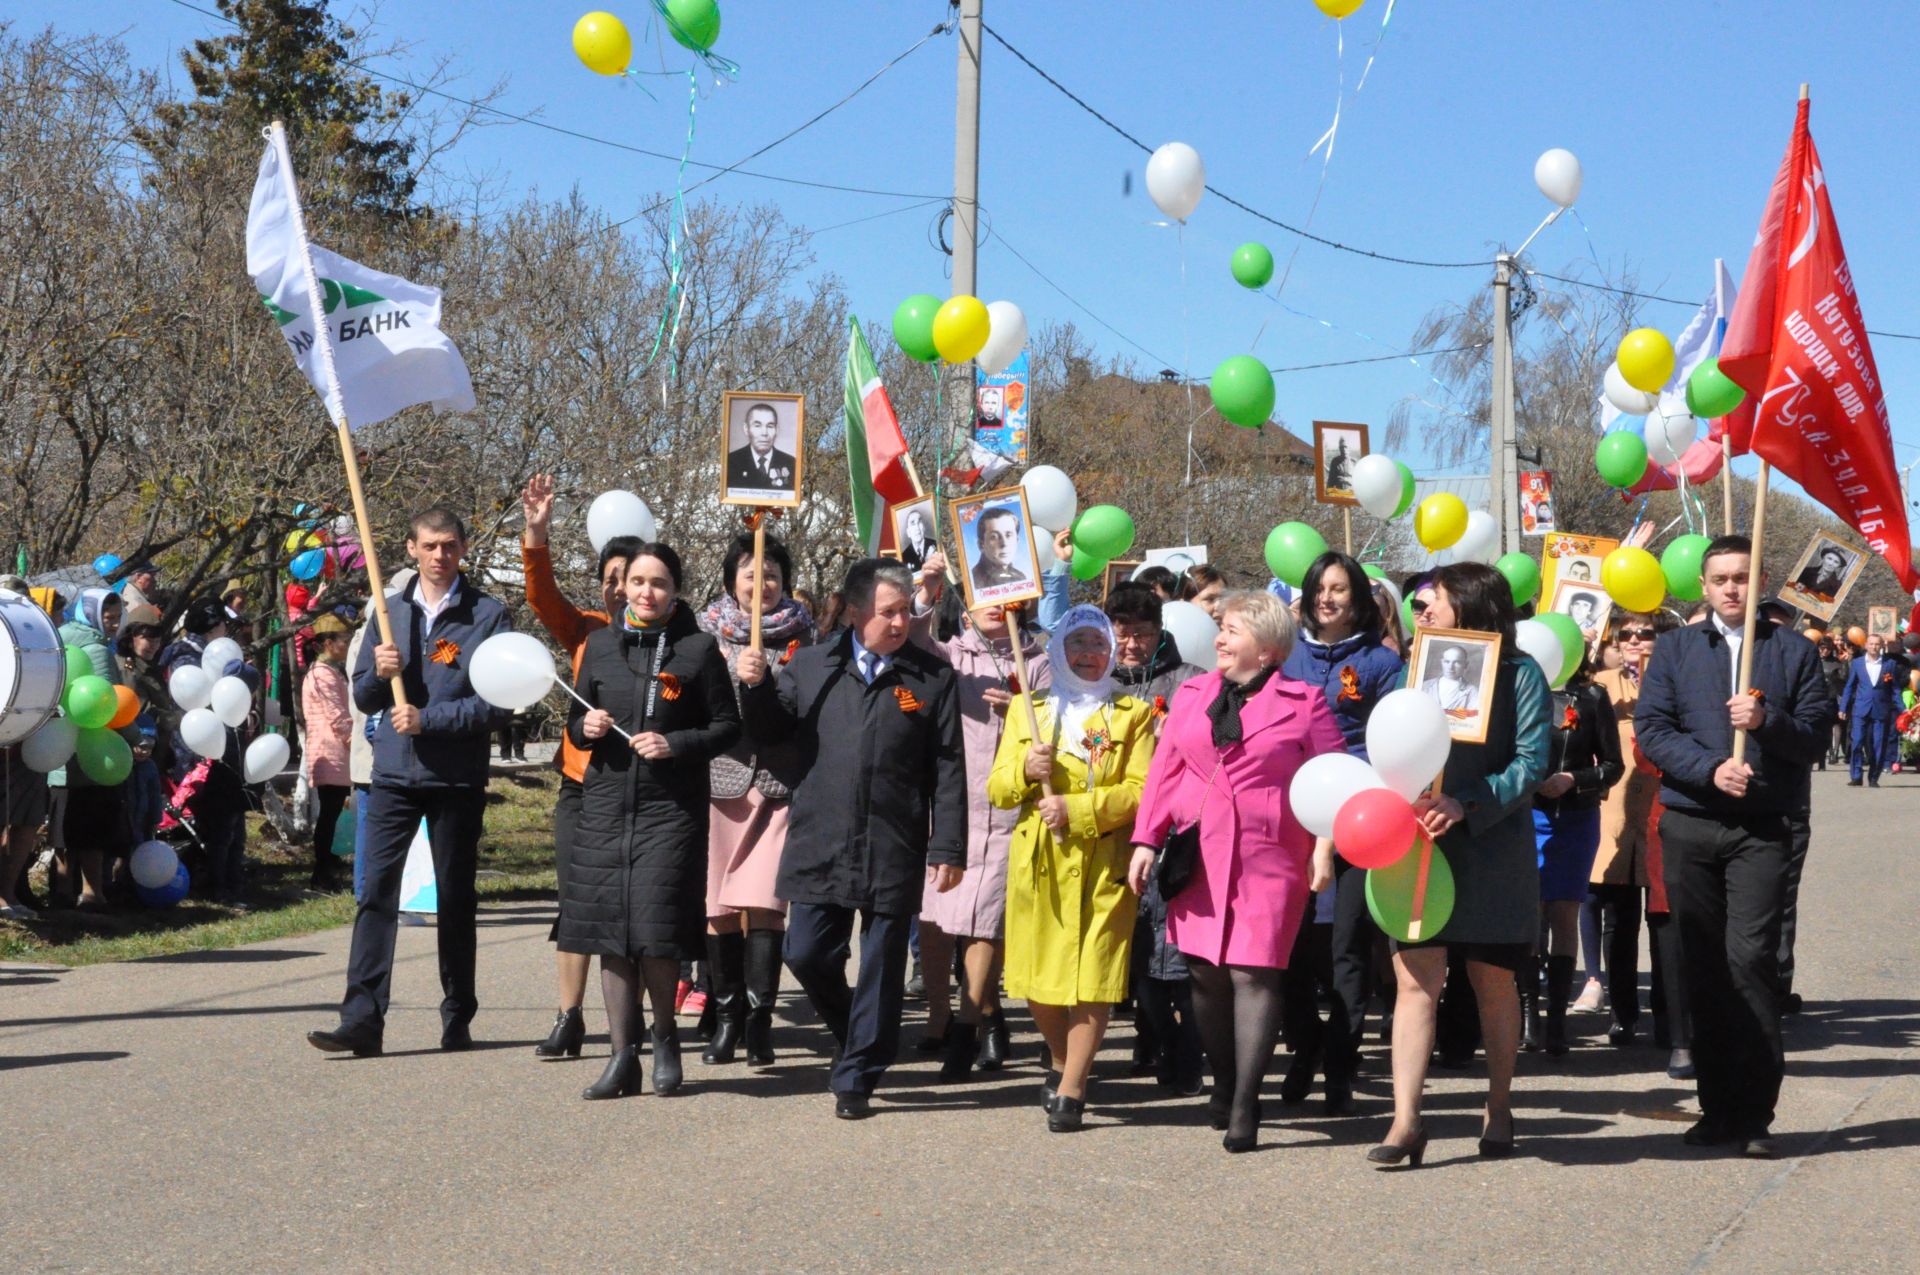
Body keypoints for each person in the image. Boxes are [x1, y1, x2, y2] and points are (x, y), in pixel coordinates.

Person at [735, 558, 968, 1120]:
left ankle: (858, 1072)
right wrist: (757, 687)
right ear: (856, 611)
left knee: (883, 964)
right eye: (887, 612)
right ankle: (857, 1031)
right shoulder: (812, 665)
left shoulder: (930, 676)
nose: (898, 621)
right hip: (822, 835)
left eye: (905, 611)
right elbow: (769, 733)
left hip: (895, 839)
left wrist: (948, 847)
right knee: (806, 951)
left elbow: (949, 768)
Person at [1635, 534, 1832, 1157]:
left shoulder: (1794, 653)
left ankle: (1754, 1112)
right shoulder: (1674, 649)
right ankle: (1715, 1108)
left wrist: (1765, 722)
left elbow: (1815, 737)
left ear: (1760, 580)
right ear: (1702, 583)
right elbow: (1653, 730)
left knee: (1750, 960)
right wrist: (1711, 767)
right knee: (1703, 964)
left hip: (1762, 829)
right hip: (1692, 821)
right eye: (1719, 578)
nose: (1730, 589)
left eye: (1742, 578)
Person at [1128, 590, 1344, 1153]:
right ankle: (1223, 1082)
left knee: (1255, 972)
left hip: (1271, 855)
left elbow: (1333, 780)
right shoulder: (1193, 694)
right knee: (1204, 973)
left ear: (1268, 648)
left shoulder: (1307, 702)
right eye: (1220, 629)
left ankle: (1246, 1101)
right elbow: (1164, 771)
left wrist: (1326, 847)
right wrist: (1146, 839)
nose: (1219, 638)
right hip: (1198, 851)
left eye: (1232, 631)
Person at [307, 508, 512, 1058]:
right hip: (394, 777)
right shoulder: (388, 611)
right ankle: (362, 1021)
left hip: (456, 780)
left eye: (449, 545)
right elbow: (366, 697)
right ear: (411, 550)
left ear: (463, 548)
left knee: (455, 899)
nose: (440, 555)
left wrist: (431, 719)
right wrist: (378, 669)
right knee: (375, 894)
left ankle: (457, 1015)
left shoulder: (488, 616)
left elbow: (498, 703)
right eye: (430, 546)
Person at [1370, 562, 1550, 1168]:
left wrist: (1467, 803)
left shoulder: (1522, 675)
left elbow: (1531, 764)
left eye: (1433, 602)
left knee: (1492, 982)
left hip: (1492, 846)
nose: (1420, 613)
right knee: (1415, 982)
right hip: (1419, 842)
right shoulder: (1411, 670)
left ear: (1470, 605)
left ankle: (1499, 1107)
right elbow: (1392, 741)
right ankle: (1405, 1121)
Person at [565, 543, 740, 1100]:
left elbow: (726, 727)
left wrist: (676, 742)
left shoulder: (697, 649)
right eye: (637, 582)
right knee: (612, 936)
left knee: (657, 933)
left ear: (675, 590)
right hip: (605, 808)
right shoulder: (598, 645)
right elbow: (574, 720)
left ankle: (666, 1039)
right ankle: (623, 1056)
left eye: (658, 583)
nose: (645, 592)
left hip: (671, 813)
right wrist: (583, 729)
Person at [989, 605, 1154, 1131]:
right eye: (1078, 643)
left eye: (1098, 644)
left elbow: (1140, 790)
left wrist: (1079, 810)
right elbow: (997, 789)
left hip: (1103, 860)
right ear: (1058, 649)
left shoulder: (1133, 714)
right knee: (1038, 982)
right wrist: (1024, 769)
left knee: (1092, 978)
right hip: (1039, 861)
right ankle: (1062, 1058)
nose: (1089, 655)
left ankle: (1074, 1084)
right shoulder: (1029, 710)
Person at [906, 550, 1051, 1082]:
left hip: (1008, 809)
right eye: (984, 592)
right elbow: (914, 644)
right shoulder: (952, 653)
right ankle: (952, 1016)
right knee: (940, 915)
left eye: (1006, 593)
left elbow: (1053, 725)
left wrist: (1022, 711)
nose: (996, 604)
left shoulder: (1036, 658)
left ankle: (971, 1029)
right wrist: (928, 589)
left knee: (984, 920)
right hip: (949, 804)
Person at [520, 473, 642, 1062]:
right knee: (576, 903)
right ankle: (568, 1017)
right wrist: (536, 535)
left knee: (634, 903)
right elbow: (543, 599)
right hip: (582, 789)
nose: (622, 588)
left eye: (633, 578)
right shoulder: (587, 632)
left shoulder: (674, 640)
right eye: (612, 579)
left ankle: (637, 1017)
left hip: (645, 793)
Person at [1280, 551, 1405, 1114]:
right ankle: (1303, 1048)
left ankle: (1341, 1061)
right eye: (1319, 589)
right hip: (1292, 819)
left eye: (1339, 589)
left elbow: (1396, 740)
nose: (1327, 598)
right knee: (1289, 951)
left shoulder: (1380, 662)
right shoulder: (1283, 657)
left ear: (1357, 599)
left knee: (1347, 949)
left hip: (1359, 823)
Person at [694, 532, 815, 1068]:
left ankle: (760, 1020)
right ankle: (727, 1020)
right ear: (730, 583)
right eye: (751, 574)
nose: (761, 584)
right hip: (719, 783)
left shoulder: (805, 639)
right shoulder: (702, 636)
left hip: (777, 787)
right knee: (717, 907)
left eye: (771, 575)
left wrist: (766, 680)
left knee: (765, 905)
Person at [1104, 582, 1207, 1094]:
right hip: (1114, 833)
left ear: (1159, 632)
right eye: (1122, 634)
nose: (1131, 646)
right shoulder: (1096, 685)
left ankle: (1186, 1051)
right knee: (1136, 952)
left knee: (1179, 953)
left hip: (1177, 835)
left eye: (1142, 634)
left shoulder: (1190, 682)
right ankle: (1156, 1035)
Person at [1587, 612, 1690, 1074]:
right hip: (1615, 810)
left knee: (1664, 919)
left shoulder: (1672, 678)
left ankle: (1669, 1017)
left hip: (1662, 808)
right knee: (1618, 918)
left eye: (1643, 633)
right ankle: (1624, 1013)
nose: (1633, 641)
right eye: (1624, 634)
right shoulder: (1602, 683)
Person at [1527, 647, 1623, 1056]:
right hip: (1526, 818)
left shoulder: (1593, 697)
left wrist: (1574, 779)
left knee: (1564, 913)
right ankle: (1530, 1015)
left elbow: (1612, 765)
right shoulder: (1522, 690)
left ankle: (1557, 1024)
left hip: (1575, 820)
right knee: (1531, 917)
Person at [158, 598, 256, 907]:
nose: (228, 630)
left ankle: (232, 881)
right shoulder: (185, 658)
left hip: (222, 749)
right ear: (213, 626)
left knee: (232, 820)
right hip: (197, 754)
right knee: (217, 824)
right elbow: (195, 701)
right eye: (224, 624)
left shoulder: (213, 655)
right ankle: (217, 886)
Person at [55, 589, 139, 908]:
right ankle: (93, 893)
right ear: (91, 614)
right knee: (91, 828)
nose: (115, 624)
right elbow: (107, 706)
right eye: (108, 617)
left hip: (58, 752)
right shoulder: (98, 650)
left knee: (62, 832)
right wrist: (136, 738)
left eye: (118, 617)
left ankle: (61, 892)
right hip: (93, 754)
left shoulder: (61, 639)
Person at [301, 615, 355, 892]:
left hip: (333, 751)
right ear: (329, 643)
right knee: (329, 815)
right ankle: (321, 873)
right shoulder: (323, 676)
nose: (347, 646)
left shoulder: (329, 672)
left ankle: (327, 867)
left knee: (331, 814)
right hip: (330, 750)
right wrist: (356, 742)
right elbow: (338, 716)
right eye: (344, 641)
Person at [1837, 632, 1905, 787]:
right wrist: (1843, 707)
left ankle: (1874, 777)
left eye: (1877, 644)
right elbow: (1849, 687)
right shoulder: (1858, 663)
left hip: (1881, 710)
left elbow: (1895, 690)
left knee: (1879, 745)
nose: (1874, 647)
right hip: (1861, 709)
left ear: (1881, 646)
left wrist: (1903, 710)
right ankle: (1856, 775)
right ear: (1866, 645)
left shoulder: (1889, 664)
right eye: (1871, 644)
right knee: (1857, 742)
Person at [725, 402, 797, 495]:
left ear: (777, 430)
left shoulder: (791, 463)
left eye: (770, 426)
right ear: (746, 429)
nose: (764, 433)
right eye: (757, 425)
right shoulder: (732, 462)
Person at [969, 505, 1031, 592]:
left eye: (1008, 535)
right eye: (994, 537)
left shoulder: (1020, 578)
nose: (1004, 544)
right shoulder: (972, 582)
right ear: (981, 544)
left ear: (1017, 540)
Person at [1420, 645, 1481, 713]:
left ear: (1465, 665)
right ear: (1442, 662)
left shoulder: (1472, 692)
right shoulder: (1425, 686)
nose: (1450, 667)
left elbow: (1472, 720)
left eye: (1457, 662)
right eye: (1447, 662)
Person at [897, 507, 935, 574]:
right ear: (908, 532)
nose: (917, 527)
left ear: (923, 527)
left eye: (919, 522)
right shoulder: (903, 557)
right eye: (913, 523)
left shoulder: (936, 545)